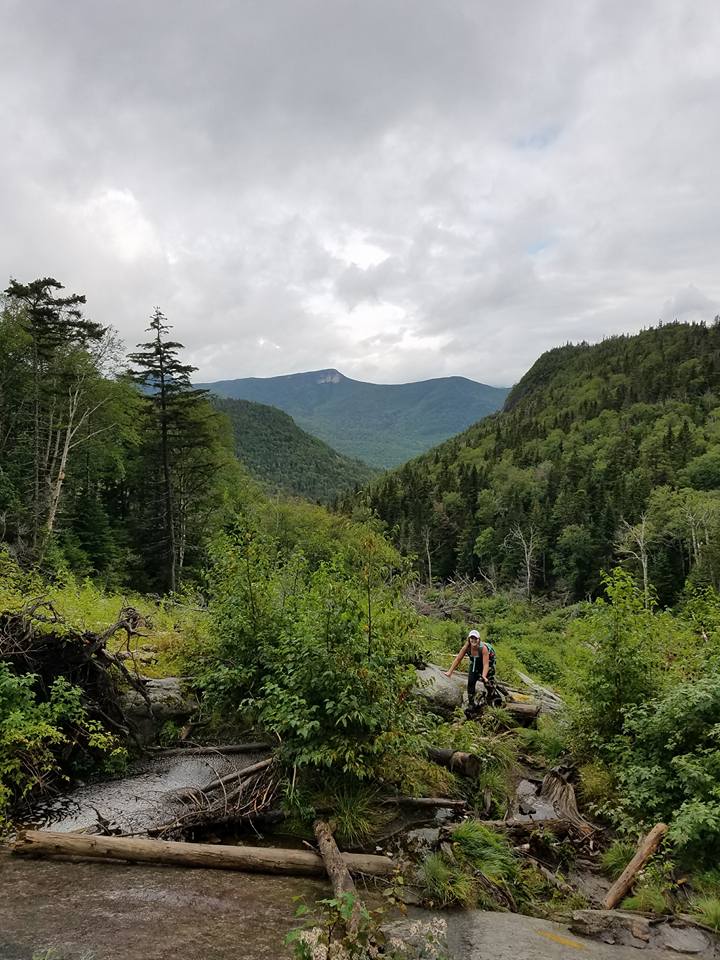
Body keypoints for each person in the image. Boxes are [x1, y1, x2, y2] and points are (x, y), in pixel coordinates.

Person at [445, 629, 496, 708]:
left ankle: (491, 699)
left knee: (488, 682)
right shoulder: (466, 647)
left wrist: (484, 676)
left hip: (488, 663)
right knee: (471, 682)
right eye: (472, 638)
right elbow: (458, 659)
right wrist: (450, 672)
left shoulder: (483, 648)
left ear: (479, 639)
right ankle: (471, 704)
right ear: (469, 639)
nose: (473, 640)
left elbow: (486, 664)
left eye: (475, 638)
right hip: (474, 663)